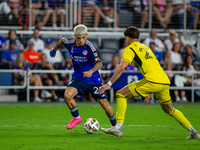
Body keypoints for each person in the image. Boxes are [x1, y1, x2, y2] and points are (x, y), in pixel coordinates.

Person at [98, 26, 200, 139]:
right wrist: (149, 91)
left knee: (121, 94)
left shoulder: (129, 49)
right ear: (139, 38)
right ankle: (193, 132)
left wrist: (109, 84)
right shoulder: (146, 48)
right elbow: (150, 67)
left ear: (127, 38)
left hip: (153, 81)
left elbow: (121, 67)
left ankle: (118, 128)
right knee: (169, 109)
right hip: (164, 81)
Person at [49, 24, 116, 130]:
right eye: (79, 38)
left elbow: (99, 64)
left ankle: (115, 126)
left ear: (87, 35)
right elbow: (62, 40)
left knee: (104, 104)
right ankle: (76, 118)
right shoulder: (69, 43)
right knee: (67, 95)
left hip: (93, 78)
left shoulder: (89, 46)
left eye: (83, 37)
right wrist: (54, 50)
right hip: (79, 77)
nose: (81, 40)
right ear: (75, 36)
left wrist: (91, 71)